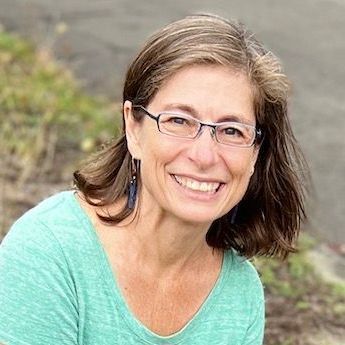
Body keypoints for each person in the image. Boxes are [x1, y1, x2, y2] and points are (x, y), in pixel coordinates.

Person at [0, 13, 308, 345]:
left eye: (231, 130)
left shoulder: (239, 295)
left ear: (255, 153)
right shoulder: (49, 254)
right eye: (178, 121)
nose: (204, 155)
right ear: (133, 128)